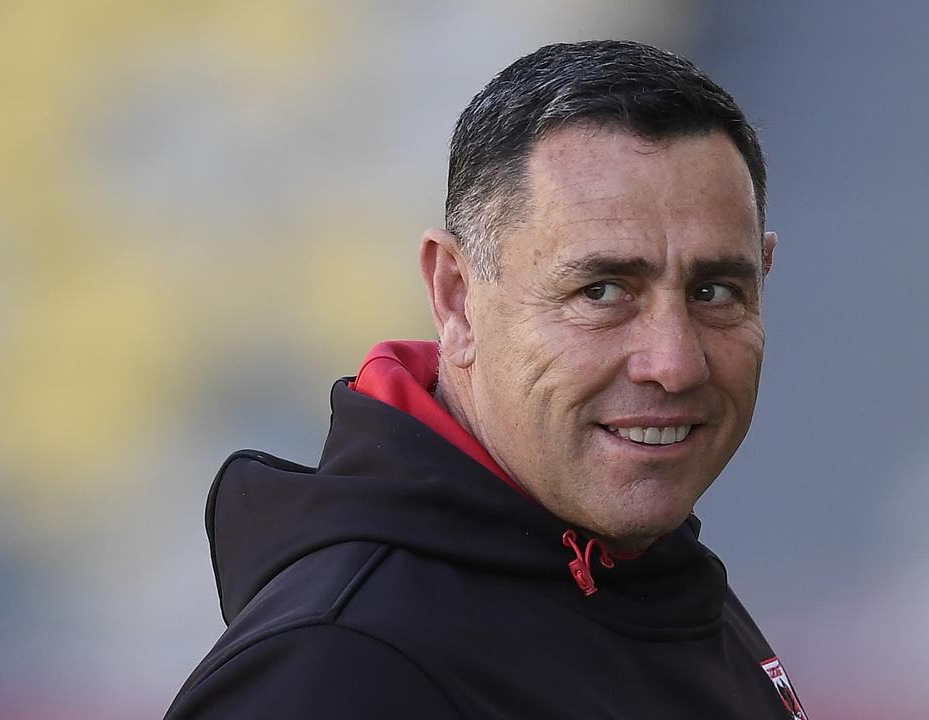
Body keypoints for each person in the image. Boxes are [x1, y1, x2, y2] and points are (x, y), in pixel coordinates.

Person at [165, 39, 806, 719]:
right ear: (456, 298)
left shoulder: (645, 572)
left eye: (714, 292)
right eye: (603, 290)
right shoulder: (336, 671)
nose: (674, 364)